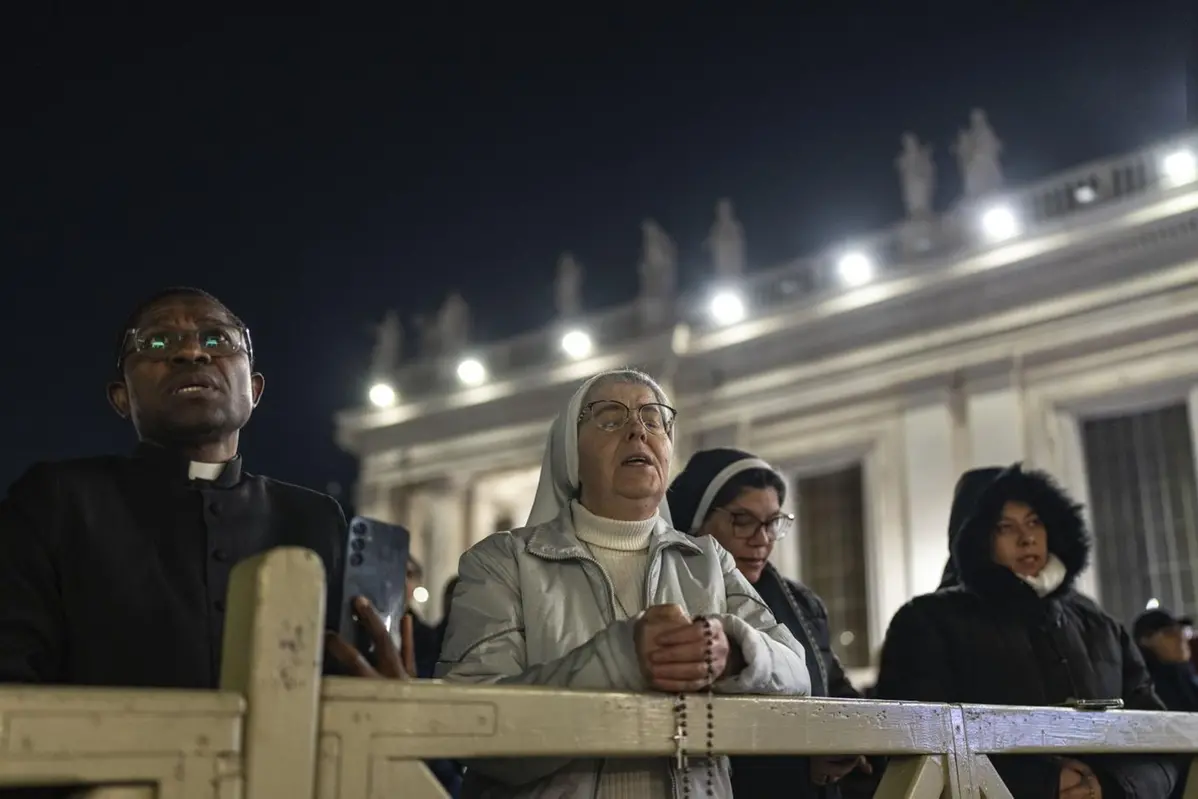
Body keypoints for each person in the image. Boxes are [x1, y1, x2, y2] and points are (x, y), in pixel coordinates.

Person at [434, 368, 810, 798]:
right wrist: (620, 660)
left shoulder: (707, 560)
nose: (637, 430)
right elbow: (470, 726)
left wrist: (734, 651)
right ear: (570, 452)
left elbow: (795, 669)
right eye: (611, 418)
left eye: (653, 418)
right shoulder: (502, 563)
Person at [0, 287, 348, 689]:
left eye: (217, 339)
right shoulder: (58, 501)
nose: (192, 353)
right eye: (158, 342)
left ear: (254, 391)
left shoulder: (313, 517)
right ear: (122, 398)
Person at [875, 463, 1179, 799]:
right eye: (1005, 527)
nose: (1027, 538)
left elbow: (1159, 737)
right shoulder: (926, 622)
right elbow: (911, 745)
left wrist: (1112, 785)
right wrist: (1044, 786)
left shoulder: (1101, 627)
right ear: (976, 538)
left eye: (1034, 522)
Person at [668, 447, 871, 798]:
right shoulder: (673, 602)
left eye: (773, 523)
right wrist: (798, 756)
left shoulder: (802, 604)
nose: (761, 539)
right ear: (695, 523)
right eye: (742, 521)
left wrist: (844, 741)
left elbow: (835, 689)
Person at [1133, 608, 1198, 713]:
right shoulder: (1145, 688)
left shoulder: (1186, 677)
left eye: (1182, 631)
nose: (1181, 637)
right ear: (1145, 640)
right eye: (1170, 633)